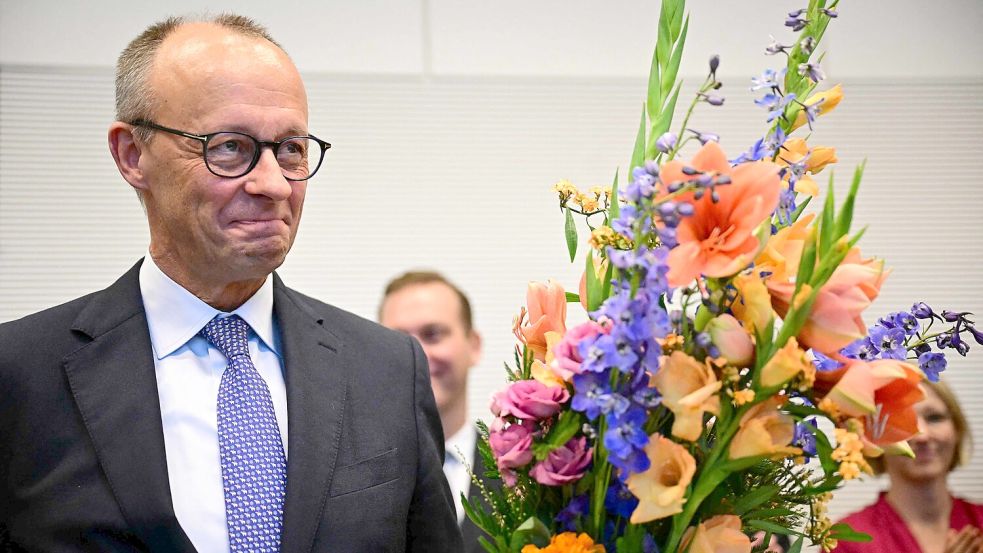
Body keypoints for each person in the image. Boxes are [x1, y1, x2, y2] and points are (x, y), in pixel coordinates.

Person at [0, 14, 462, 552]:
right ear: (132, 155)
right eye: (229, 147)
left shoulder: (386, 371)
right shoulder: (20, 376)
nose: (272, 184)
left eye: (290, 148)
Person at [379, 271, 495, 552]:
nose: (417, 355)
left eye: (433, 334)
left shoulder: (520, 472)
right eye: (399, 341)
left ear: (474, 345)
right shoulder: (353, 475)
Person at [832, 380, 983, 553]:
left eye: (934, 418)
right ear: (873, 439)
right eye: (901, 421)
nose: (922, 435)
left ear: (958, 430)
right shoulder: (846, 541)